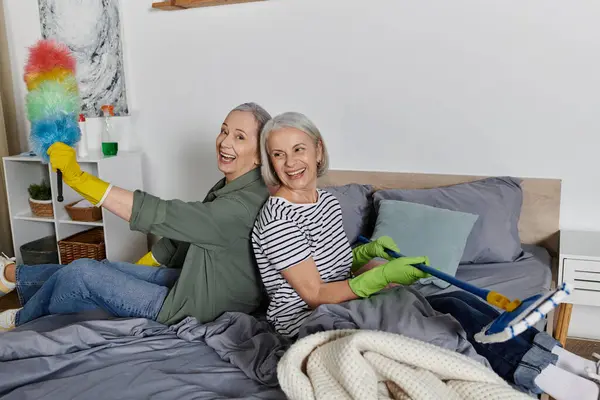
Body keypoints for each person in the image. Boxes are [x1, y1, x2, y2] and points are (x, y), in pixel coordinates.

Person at [250, 111, 599, 399]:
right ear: (270, 161)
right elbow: (313, 294)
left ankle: (564, 360)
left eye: (299, 150)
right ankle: (555, 381)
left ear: (318, 151)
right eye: (278, 154)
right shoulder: (278, 219)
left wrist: (366, 254)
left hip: (344, 298)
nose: (291, 163)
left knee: (460, 301)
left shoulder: (323, 201)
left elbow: (333, 264)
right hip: (311, 320)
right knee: (446, 330)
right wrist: (382, 277)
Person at [0, 102, 272, 331]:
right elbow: (189, 234)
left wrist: (80, 179)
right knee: (101, 268)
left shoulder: (240, 206)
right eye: (223, 131)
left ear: (260, 154)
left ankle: (18, 320)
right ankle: (11, 275)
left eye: (239, 137)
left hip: (192, 309)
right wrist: (151, 261)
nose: (224, 141)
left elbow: (166, 214)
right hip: (192, 281)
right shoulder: (241, 184)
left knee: (83, 273)